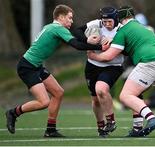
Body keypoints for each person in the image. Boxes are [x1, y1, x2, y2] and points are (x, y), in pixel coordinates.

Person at [5, 4, 108, 138]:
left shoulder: (52, 27)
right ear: (60, 17)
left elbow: (77, 39)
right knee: (44, 102)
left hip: (36, 65)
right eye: (69, 18)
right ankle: (13, 113)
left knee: (58, 93)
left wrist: (89, 41)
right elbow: (76, 45)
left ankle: (50, 130)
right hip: (27, 67)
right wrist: (100, 47)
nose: (71, 21)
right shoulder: (57, 28)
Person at [87, 5, 155, 137]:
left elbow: (108, 56)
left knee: (125, 96)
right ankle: (137, 129)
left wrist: (92, 55)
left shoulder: (123, 30)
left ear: (120, 19)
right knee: (135, 94)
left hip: (149, 63)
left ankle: (152, 118)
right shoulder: (141, 27)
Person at [73, 6, 124, 137]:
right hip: (92, 66)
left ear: (116, 19)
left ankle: (111, 121)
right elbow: (77, 31)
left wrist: (114, 43)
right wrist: (87, 40)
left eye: (109, 22)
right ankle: (101, 127)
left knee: (101, 89)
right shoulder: (96, 24)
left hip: (113, 66)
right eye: (104, 21)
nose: (106, 24)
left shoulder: (122, 30)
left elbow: (129, 49)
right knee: (95, 100)